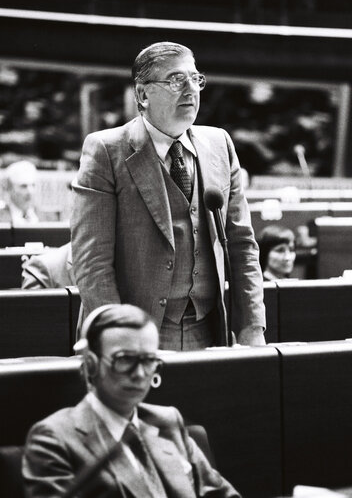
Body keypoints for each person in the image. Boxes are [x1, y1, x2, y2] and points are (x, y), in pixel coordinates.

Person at [71, 41, 266, 350]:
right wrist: (118, 335)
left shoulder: (220, 145)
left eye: (195, 78)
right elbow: (91, 260)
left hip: (209, 329)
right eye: (176, 80)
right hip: (135, 331)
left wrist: (252, 326)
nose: (190, 89)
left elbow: (242, 244)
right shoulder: (106, 150)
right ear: (142, 94)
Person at [22, 303, 241, 498]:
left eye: (148, 361)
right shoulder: (54, 438)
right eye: (125, 359)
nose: (139, 374)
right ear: (90, 364)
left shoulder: (167, 422)